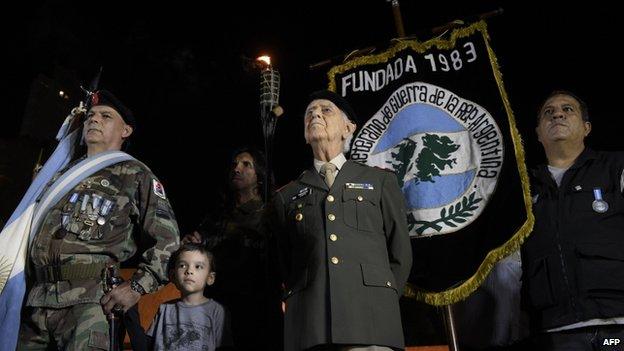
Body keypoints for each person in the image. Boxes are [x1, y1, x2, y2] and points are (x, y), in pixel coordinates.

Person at [18, 90, 180, 350]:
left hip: (90, 304)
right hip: (36, 300)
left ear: (125, 130)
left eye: (106, 116)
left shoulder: (133, 172)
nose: (94, 120)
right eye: (91, 115)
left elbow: (168, 240)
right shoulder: (57, 176)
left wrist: (137, 287)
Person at [269, 90, 413, 351]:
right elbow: (284, 263)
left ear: (348, 128)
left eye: (326, 110)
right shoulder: (286, 196)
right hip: (311, 326)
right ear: (304, 134)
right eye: (309, 112)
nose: (315, 114)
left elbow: (400, 252)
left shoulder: (380, 181)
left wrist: (381, 298)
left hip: (372, 321)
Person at [522, 90, 624, 350]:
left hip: (617, 326)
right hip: (556, 332)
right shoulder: (523, 188)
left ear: (586, 127)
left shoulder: (616, 167)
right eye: (549, 111)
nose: (557, 113)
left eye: (568, 109)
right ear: (538, 134)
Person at [183, 147, 282, 350]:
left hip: (258, 308)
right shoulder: (218, 214)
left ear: (260, 174)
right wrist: (192, 245)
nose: (237, 169)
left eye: (246, 164)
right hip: (218, 304)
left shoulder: (272, 213)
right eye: (235, 164)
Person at [146, 243, 232, 350]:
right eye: (182, 265)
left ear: (210, 278)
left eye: (198, 266)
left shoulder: (217, 311)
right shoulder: (164, 309)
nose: (189, 271)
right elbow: (149, 345)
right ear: (173, 276)